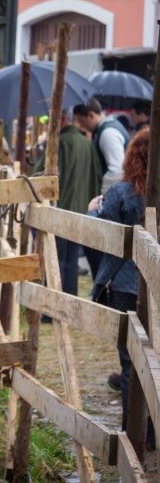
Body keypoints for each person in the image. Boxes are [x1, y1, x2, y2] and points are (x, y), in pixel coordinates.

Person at [90, 130, 151, 436]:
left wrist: (92, 211)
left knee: (130, 363)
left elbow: (102, 240)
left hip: (126, 287)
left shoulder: (121, 193)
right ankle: (152, 432)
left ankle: (135, 433)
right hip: (153, 288)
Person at [34, 110, 102, 296]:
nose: (47, 124)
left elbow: (38, 176)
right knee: (70, 261)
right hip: (81, 212)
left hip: (60, 211)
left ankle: (52, 307)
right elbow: (96, 177)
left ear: (61, 119)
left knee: (55, 260)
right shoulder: (86, 144)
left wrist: (36, 157)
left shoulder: (59, 143)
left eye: (49, 120)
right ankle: (70, 300)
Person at [73, 99, 129, 194]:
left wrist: (103, 197)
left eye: (82, 121)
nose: (81, 126)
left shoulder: (108, 133)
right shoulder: (103, 130)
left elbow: (116, 170)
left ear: (91, 115)